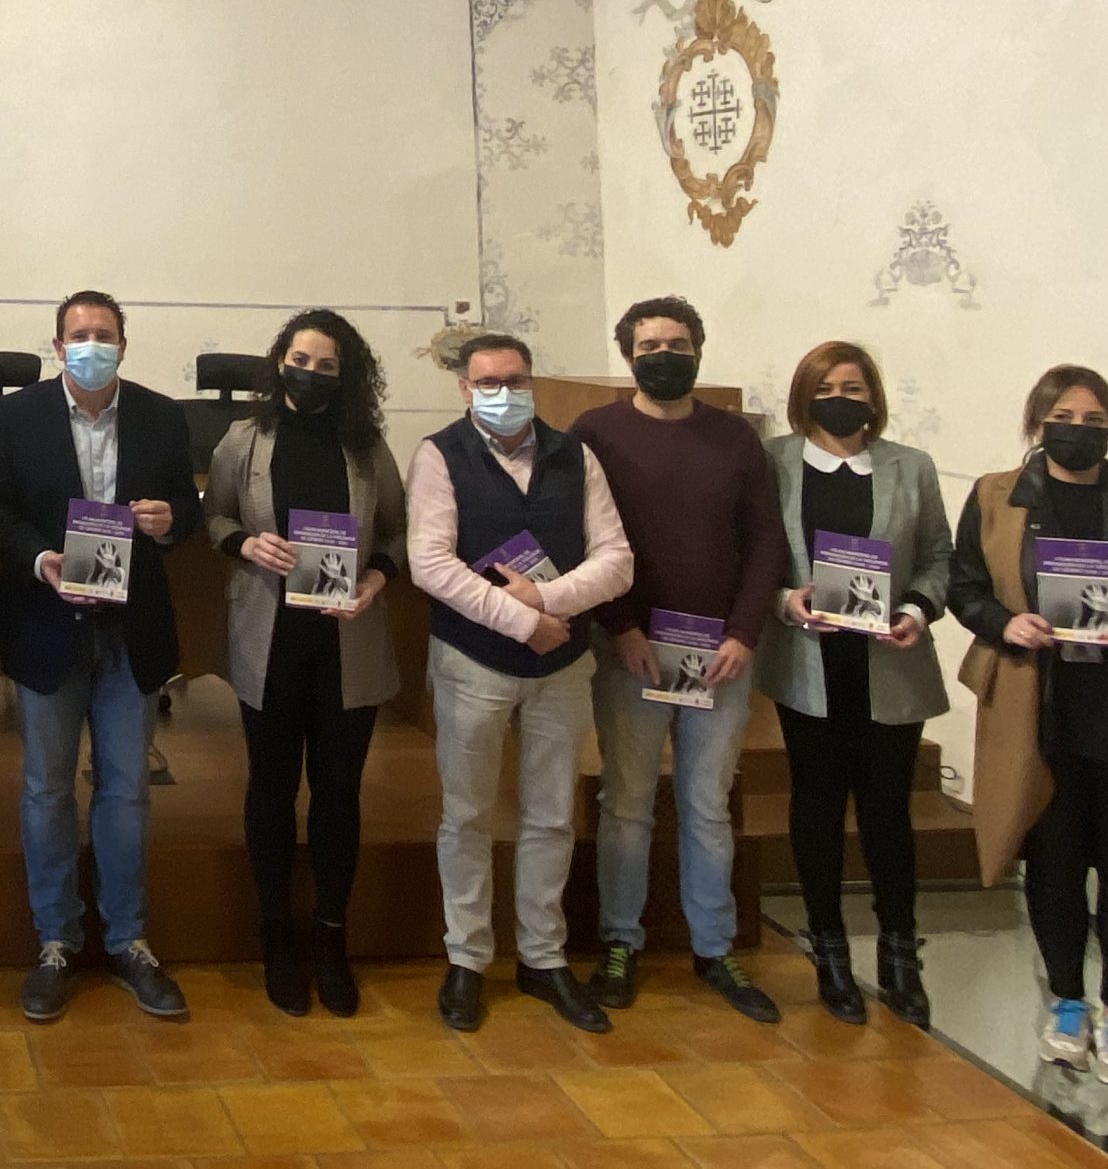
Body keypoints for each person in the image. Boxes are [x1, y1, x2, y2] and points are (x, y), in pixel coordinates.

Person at [949, 365, 1108, 1092]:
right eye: (1063, 417)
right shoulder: (996, 496)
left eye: (1093, 420)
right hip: (1039, 710)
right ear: (1037, 423)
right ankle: (1068, 1003)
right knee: (1053, 864)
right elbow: (965, 587)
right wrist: (1004, 622)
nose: (1078, 430)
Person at [0, 290, 202, 1022]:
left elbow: (186, 510)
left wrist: (170, 521)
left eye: (104, 335)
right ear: (57, 346)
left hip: (131, 632)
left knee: (126, 791)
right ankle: (56, 941)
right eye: (78, 335)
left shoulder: (162, 417)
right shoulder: (18, 416)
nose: (91, 346)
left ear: (123, 345)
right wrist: (38, 557)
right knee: (46, 790)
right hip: (47, 623)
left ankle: (128, 939)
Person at [406, 333, 632, 1036]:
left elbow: (617, 560)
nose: (503, 393)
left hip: (562, 665)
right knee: (467, 816)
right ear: (465, 389)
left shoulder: (576, 455)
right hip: (473, 662)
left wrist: (547, 603)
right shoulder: (438, 455)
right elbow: (430, 564)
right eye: (487, 383)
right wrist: (522, 620)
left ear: (533, 382)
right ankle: (467, 957)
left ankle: (542, 957)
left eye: (516, 380)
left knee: (551, 816)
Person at [574, 296, 786, 1022]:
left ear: (698, 349)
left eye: (677, 344)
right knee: (626, 802)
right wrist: (621, 627)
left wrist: (744, 634)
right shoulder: (595, 432)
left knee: (707, 805)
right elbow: (582, 536)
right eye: (649, 346)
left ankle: (714, 947)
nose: (664, 355)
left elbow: (765, 541)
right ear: (627, 355)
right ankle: (619, 942)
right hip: (630, 648)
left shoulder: (736, 438)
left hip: (720, 654)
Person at [203, 308, 405, 1019]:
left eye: (326, 365)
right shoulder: (244, 439)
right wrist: (244, 544)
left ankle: (330, 938)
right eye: (299, 360)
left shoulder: (366, 445)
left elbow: (396, 534)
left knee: (338, 794)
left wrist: (376, 578)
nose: (310, 373)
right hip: (271, 640)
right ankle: (276, 938)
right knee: (271, 789)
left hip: (347, 643)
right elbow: (215, 516)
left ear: (346, 375)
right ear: (279, 361)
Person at [754, 341, 951, 1028]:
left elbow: (938, 557)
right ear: (804, 395)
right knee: (816, 805)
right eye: (828, 386)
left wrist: (916, 610)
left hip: (888, 663)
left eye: (855, 387)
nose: (842, 397)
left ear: (874, 397)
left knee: (887, 811)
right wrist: (785, 601)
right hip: (809, 663)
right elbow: (752, 555)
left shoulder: (911, 467)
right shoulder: (773, 462)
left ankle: (899, 953)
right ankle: (829, 951)